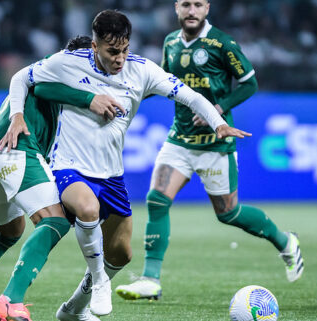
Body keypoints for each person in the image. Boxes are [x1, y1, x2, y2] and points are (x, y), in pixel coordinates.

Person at [0, 9, 251, 321]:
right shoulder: (69, 61)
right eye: (112, 51)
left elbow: (190, 96)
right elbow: (21, 78)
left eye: (124, 49)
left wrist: (217, 123)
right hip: (69, 167)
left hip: (112, 176)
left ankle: (73, 309)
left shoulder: (141, 70)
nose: (119, 58)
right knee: (87, 209)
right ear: (94, 46)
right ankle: (99, 281)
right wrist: (17, 115)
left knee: (121, 254)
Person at [114, 0, 304, 302]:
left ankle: (285, 241)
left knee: (229, 213)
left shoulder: (223, 43)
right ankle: (151, 279)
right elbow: (164, 82)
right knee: (156, 199)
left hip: (216, 142)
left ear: (207, 8)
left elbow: (249, 83)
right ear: (177, 8)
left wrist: (218, 108)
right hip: (180, 139)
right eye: (186, 4)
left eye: (198, 5)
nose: (192, 11)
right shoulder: (170, 42)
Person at [0, 36, 122, 321]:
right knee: (56, 219)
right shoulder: (54, 74)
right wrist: (91, 100)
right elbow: (46, 88)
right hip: (14, 149)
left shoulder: (49, 81)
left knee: (8, 232)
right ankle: (11, 300)